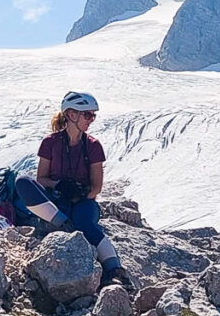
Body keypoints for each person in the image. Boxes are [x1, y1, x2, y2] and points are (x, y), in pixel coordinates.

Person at [15, 91, 132, 289]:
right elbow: (41, 179)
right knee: (22, 182)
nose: (91, 120)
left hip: (83, 202)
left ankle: (115, 270)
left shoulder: (93, 146)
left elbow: (96, 188)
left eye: (92, 115)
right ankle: (66, 225)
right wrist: (58, 185)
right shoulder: (50, 142)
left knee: (84, 222)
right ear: (71, 115)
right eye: (87, 115)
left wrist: (80, 194)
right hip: (57, 198)